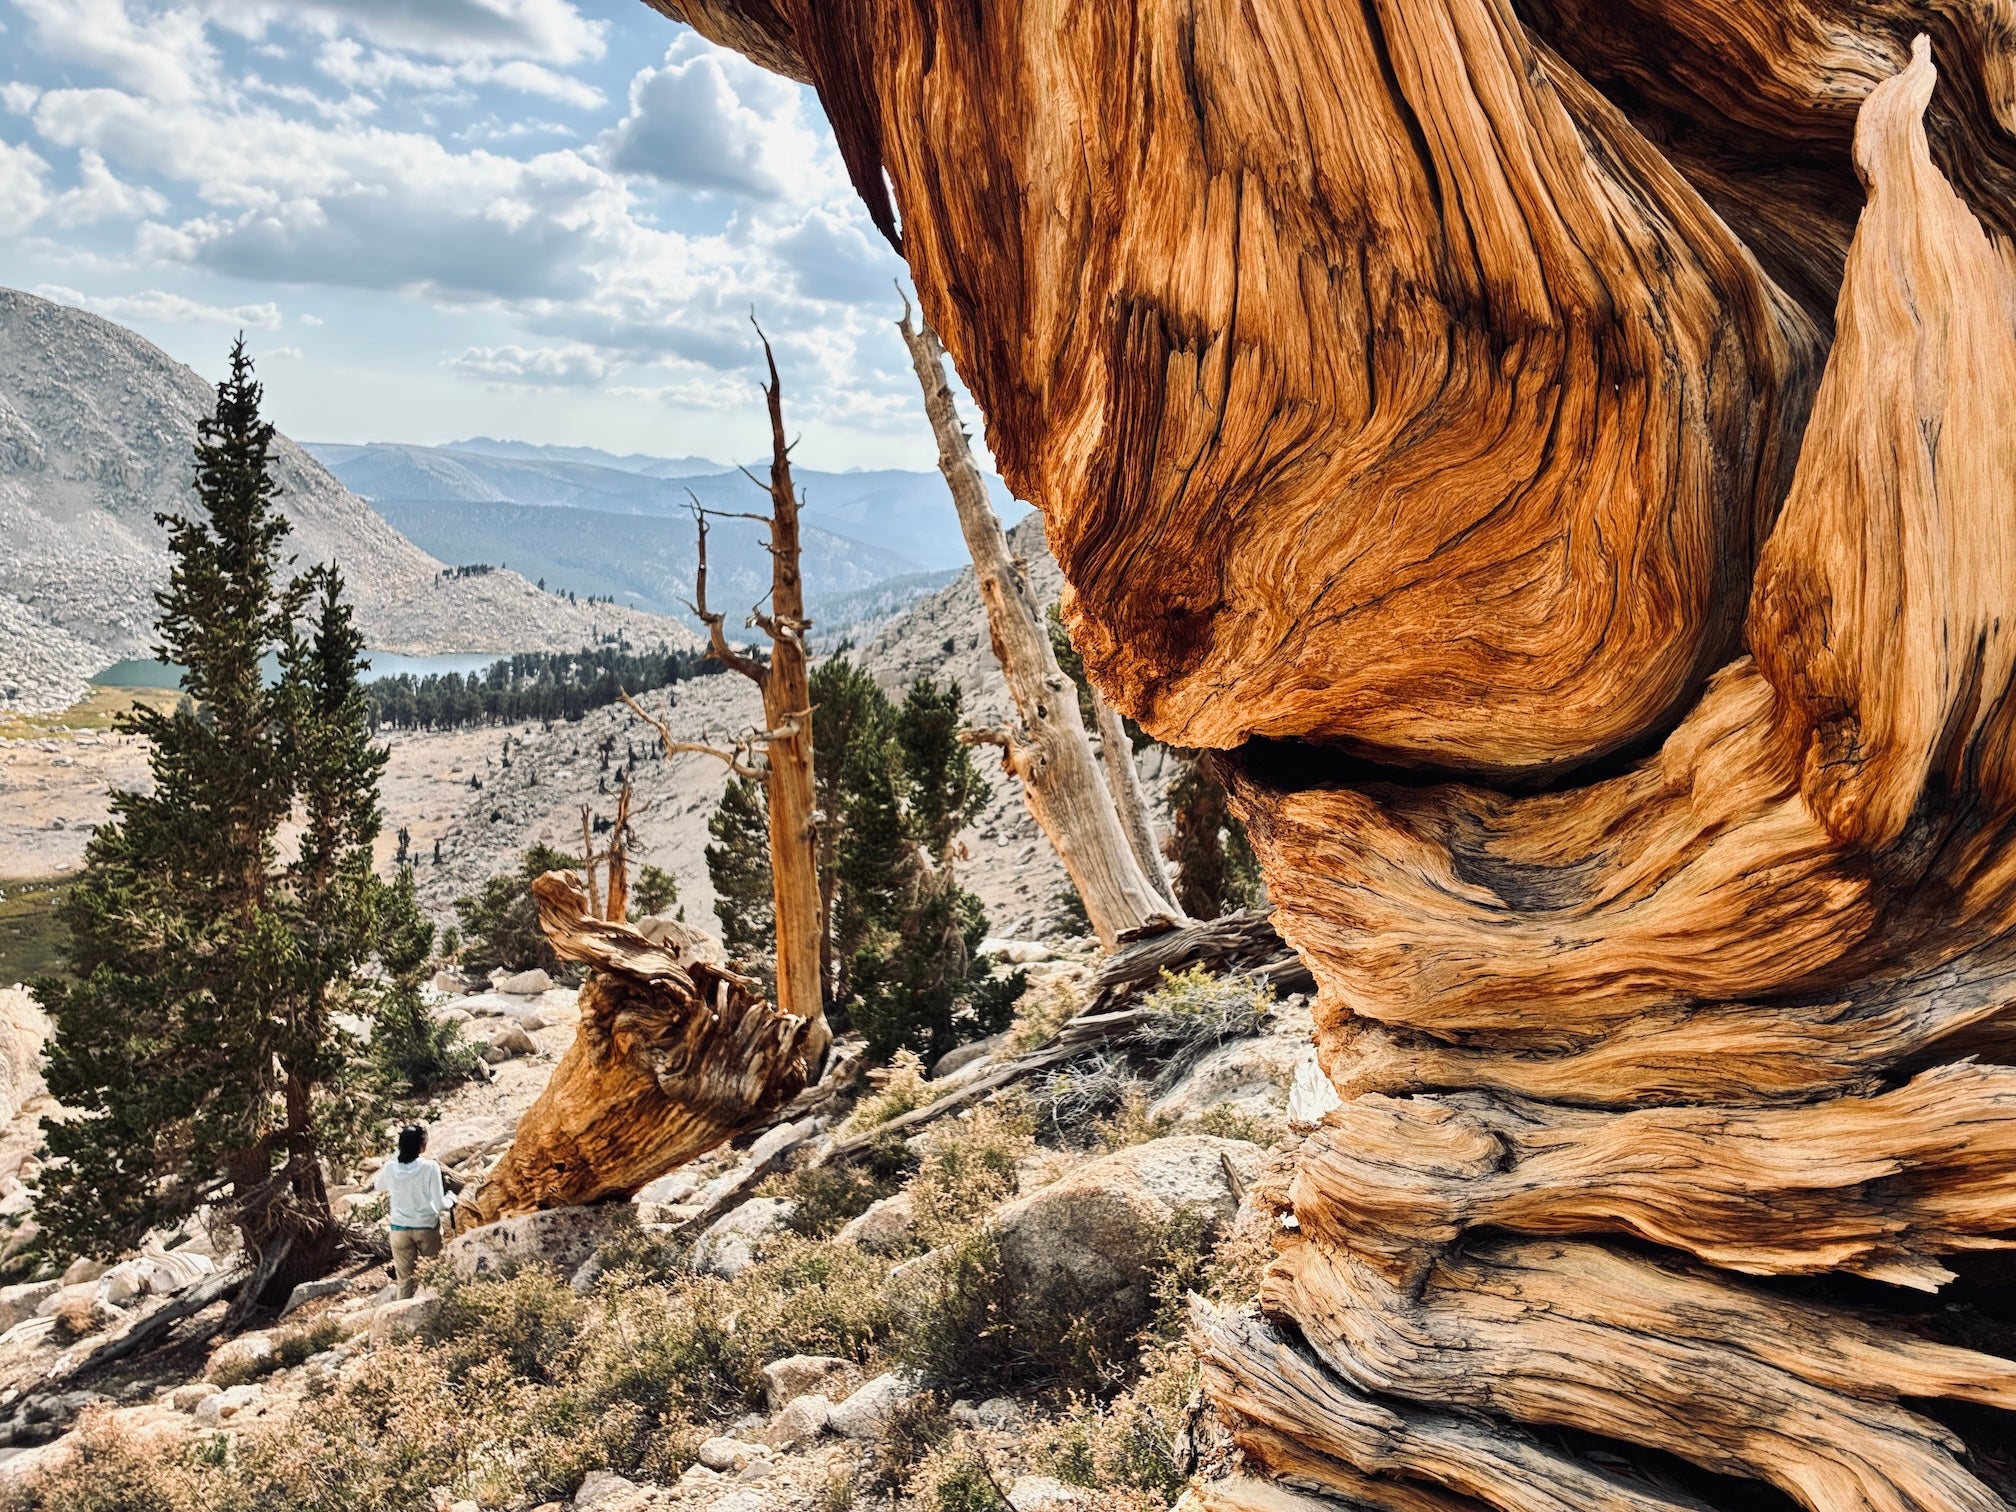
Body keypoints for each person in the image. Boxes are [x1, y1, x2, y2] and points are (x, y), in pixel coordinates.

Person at [372, 1124, 456, 1299]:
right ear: (421, 1145)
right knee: (433, 1276)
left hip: (399, 1229)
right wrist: (451, 1200)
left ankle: (399, 1319)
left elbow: (378, 1186)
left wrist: (397, 1154)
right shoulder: (430, 1167)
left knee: (404, 1282)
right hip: (426, 1227)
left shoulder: (390, 1167)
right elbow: (440, 1205)